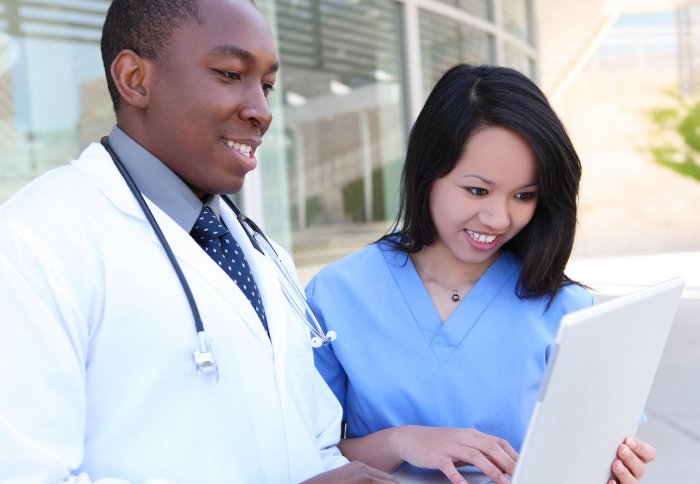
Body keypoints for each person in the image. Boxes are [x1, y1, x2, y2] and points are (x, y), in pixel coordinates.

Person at [0, 0, 397, 482]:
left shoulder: (260, 252)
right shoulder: (35, 242)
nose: (261, 111)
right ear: (135, 80)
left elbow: (309, 442)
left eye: (267, 86)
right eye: (230, 74)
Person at [306, 64, 657, 484]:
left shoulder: (569, 309)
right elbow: (307, 451)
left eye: (524, 196)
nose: (497, 218)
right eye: (477, 190)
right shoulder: (338, 293)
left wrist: (611, 473)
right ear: (427, 173)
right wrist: (401, 441)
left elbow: (591, 454)